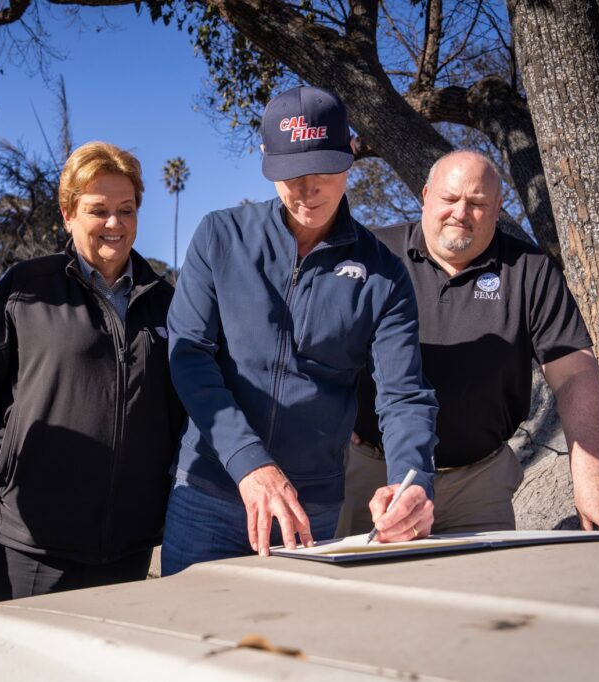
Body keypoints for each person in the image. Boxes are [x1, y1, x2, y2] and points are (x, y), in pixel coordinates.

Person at [161, 85, 438, 576]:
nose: (307, 188)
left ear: (350, 157)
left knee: (289, 649)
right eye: (290, 172)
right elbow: (190, 357)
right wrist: (249, 462)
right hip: (209, 495)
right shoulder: (219, 237)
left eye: (324, 169)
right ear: (268, 162)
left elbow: (403, 395)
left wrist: (412, 480)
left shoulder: (384, 273)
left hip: (310, 511)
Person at [340, 150, 599, 536]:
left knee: (487, 588)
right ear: (426, 195)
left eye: (478, 203)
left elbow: (574, 374)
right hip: (375, 475)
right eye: (450, 199)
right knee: (363, 590)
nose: (461, 212)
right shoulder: (375, 255)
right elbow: (312, 341)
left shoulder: (530, 271)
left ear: (499, 207)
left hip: (478, 482)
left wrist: (592, 480)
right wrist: (331, 407)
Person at [0, 141, 184, 601]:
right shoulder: (27, 289)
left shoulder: (167, 304)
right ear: (69, 214)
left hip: (128, 545)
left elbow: (180, 412)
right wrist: (0, 469)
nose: (115, 224)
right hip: (31, 541)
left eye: (126, 210)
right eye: (98, 210)